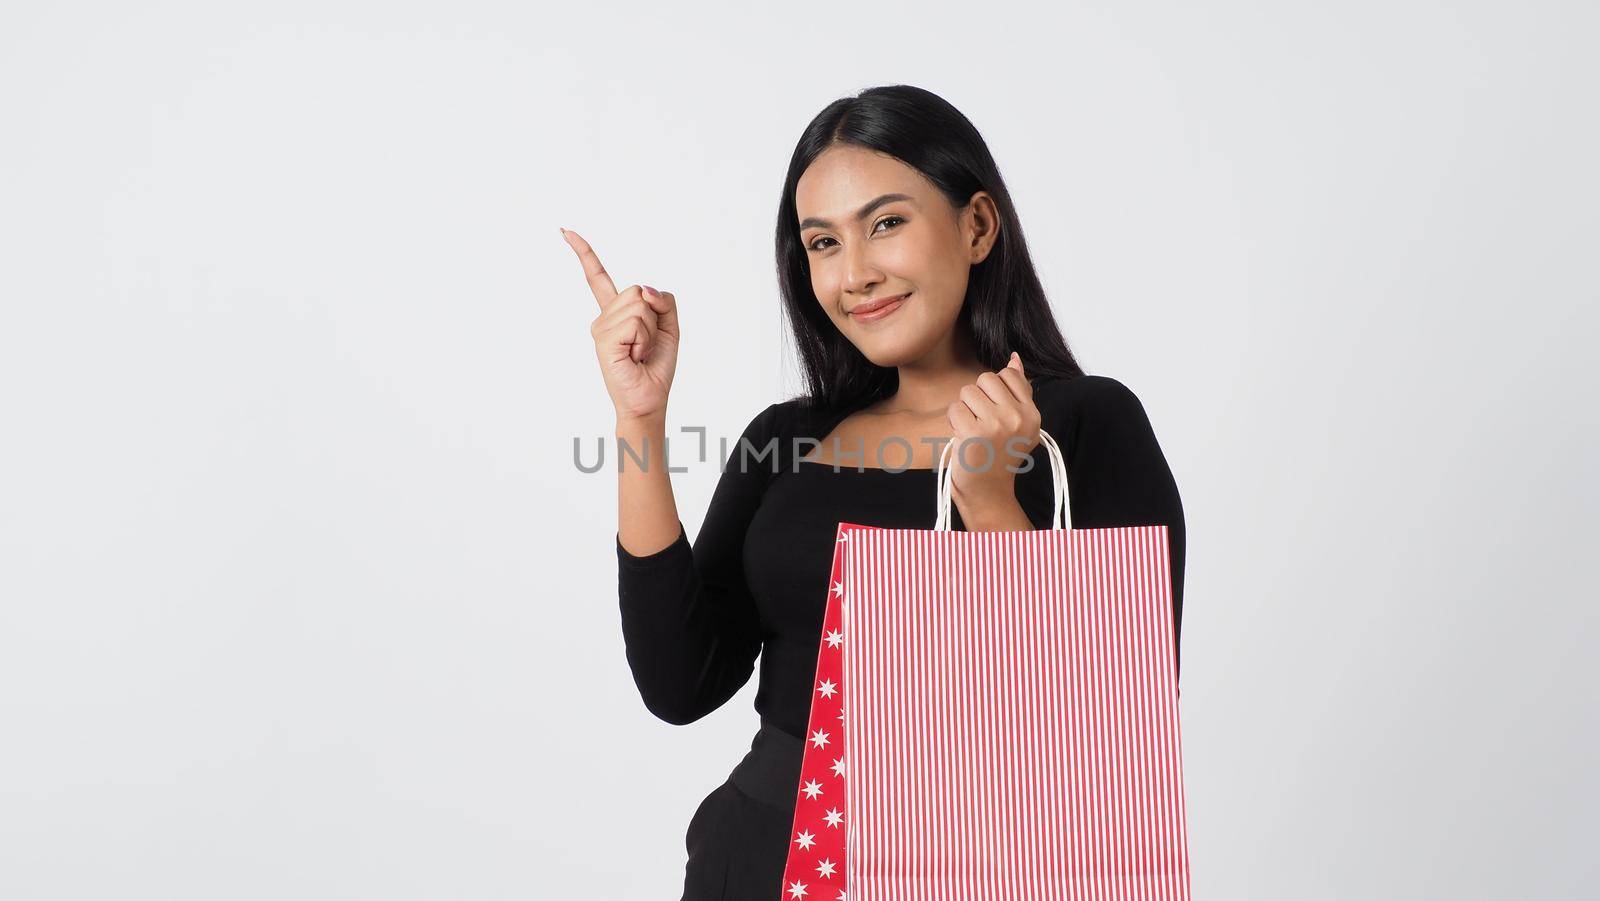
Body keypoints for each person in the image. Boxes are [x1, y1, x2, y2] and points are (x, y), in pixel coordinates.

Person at [565, 84, 1186, 901]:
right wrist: (640, 419)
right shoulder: (785, 436)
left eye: (885, 223)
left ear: (976, 227)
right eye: (822, 243)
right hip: (766, 856)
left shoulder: (1082, 424)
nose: (855, 274)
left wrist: (989, 498)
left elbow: (1110, 717)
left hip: (973, 864)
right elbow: (681, 683)